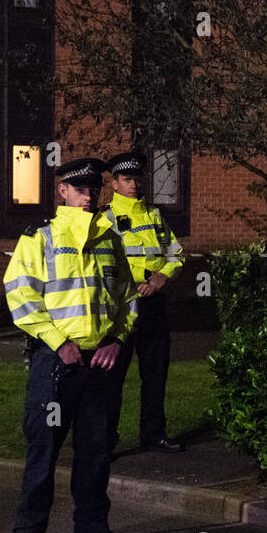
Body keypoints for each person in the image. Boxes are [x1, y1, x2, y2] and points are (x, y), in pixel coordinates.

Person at [2, 157, 141, 533]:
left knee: (96, 453)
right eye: (79, 189)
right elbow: (20, 295)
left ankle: (92, 532)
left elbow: (128, 300)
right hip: (56, 364)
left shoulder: (109, 239)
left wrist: (116, 339)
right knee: (43, 455)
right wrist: (57, 341)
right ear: (61, 191)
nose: (87, 196)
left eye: (92, 190)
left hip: (100, 364)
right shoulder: (40, 237)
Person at [100, 151, 186, 454]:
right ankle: (106, 440)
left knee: (155, 373)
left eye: (137, 178)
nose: (134, 184)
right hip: (122, 307)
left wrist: (161, 277)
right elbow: (99, 264)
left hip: (153, 306)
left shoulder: (155, 216)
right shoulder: (104, 219)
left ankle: (154, 435)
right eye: (127, 179)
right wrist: (127, 285)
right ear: (114, 184)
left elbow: (176, 253)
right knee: (112, 377)